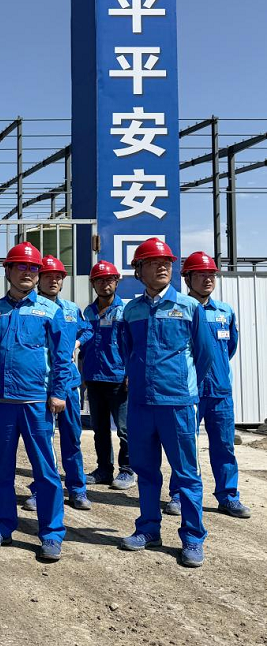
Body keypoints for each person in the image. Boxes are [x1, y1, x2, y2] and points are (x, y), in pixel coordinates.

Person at [0, 242, 73, 562]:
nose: (27, 273)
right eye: (21, 267)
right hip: (0, 402)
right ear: (8, 271)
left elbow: (62, 357)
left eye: (33, 268)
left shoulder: (50, 311)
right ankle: (1, 526)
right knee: (1, 469)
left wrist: (58, 392)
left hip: (36, 401)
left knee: (45, 470)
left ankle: (51, 533)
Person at [117, 238, 216, 568]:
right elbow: (127, 351)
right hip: (141, 404)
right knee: (146, 471)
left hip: (177, 404)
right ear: (138, 270)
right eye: (152, 262)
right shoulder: (131, 311)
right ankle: (148, 529)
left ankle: (192, 537)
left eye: (166, 262)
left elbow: (204, 356)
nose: (162, 266)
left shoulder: (189, 307)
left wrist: (183, 386)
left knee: (186, 475)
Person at [165, 251, 250, 519]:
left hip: (220, 392)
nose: (208, 279)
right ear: (187, 278)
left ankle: (228, 496)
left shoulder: (225, 311)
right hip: (188, 392)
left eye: (211, 274)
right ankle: (180, 495)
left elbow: (229, 347)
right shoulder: (178, 310)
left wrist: (216, 372)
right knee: (186, 446)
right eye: (201, 274)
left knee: (224, 446)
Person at [23, 255, 93, 512]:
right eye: (48, 276)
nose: (53, 281)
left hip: (69, 385)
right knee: (44, 441)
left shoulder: (72, 309)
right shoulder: (29, 309)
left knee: (72, 439)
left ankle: (77, 489)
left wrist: (77, 342)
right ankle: (42, 489)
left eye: (58, 277)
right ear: (38, 279)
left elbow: (88, 329)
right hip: (41, 386)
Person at [81, 260, 135, 491]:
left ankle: (128, 470)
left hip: (118, 379)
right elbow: (84, 346)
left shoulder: (125, 311)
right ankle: (104, 469)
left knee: (125, 429)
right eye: (100, 280)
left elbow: (133, 345)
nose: (105, 284)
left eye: (110, 279)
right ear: (93, 283)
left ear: (117, 282)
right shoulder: (88, 312)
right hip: (94, 378)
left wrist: (130, 373)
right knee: (100, 429)